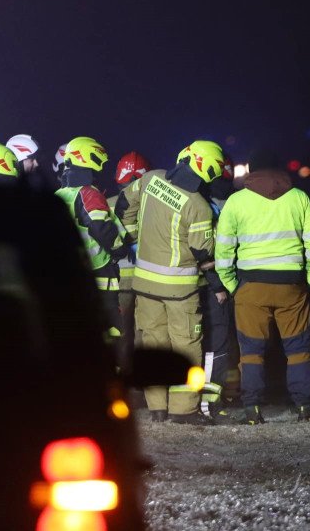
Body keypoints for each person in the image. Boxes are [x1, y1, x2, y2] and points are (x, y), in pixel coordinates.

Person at [115, 140, 225, 425]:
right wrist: (219, 287)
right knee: (186, 348)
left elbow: (124, 205)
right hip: (180, 291)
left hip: (145, 285)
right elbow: (205, 256)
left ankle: (157, 410)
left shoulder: (151, 179)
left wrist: (135, 236)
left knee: (152, 346)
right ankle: (183, 411)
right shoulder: (198, 206)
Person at [214, 147, 310, 425]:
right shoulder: (299, 198)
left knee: (251, 351)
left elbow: (224, 249)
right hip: (292, 285)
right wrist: (309, 278)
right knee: (298, 348)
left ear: (251, 170)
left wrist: (232, 285)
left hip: (250, 287)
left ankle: (252, 410)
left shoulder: (237, 202)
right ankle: (305, 408)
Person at [55, 137, 129, 345]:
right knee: (110, 330)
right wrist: (119, 249)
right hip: (99, 273)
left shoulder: (60, 193)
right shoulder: (88, 193)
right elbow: (100, 227)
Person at [198, 157, 238, 422]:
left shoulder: (218, 201)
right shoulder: (206, 205)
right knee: (217, 342)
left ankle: (220, 395)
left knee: (224, 342)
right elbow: (204, 252)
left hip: (227, 282)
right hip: (215, 286)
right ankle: (209, 402)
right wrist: (217, 285)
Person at [107, 151, 152, 373]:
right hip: (148, 280)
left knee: (122, 333)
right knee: (145, 332)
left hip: (119, 281)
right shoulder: (154, 206)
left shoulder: (106, 204)